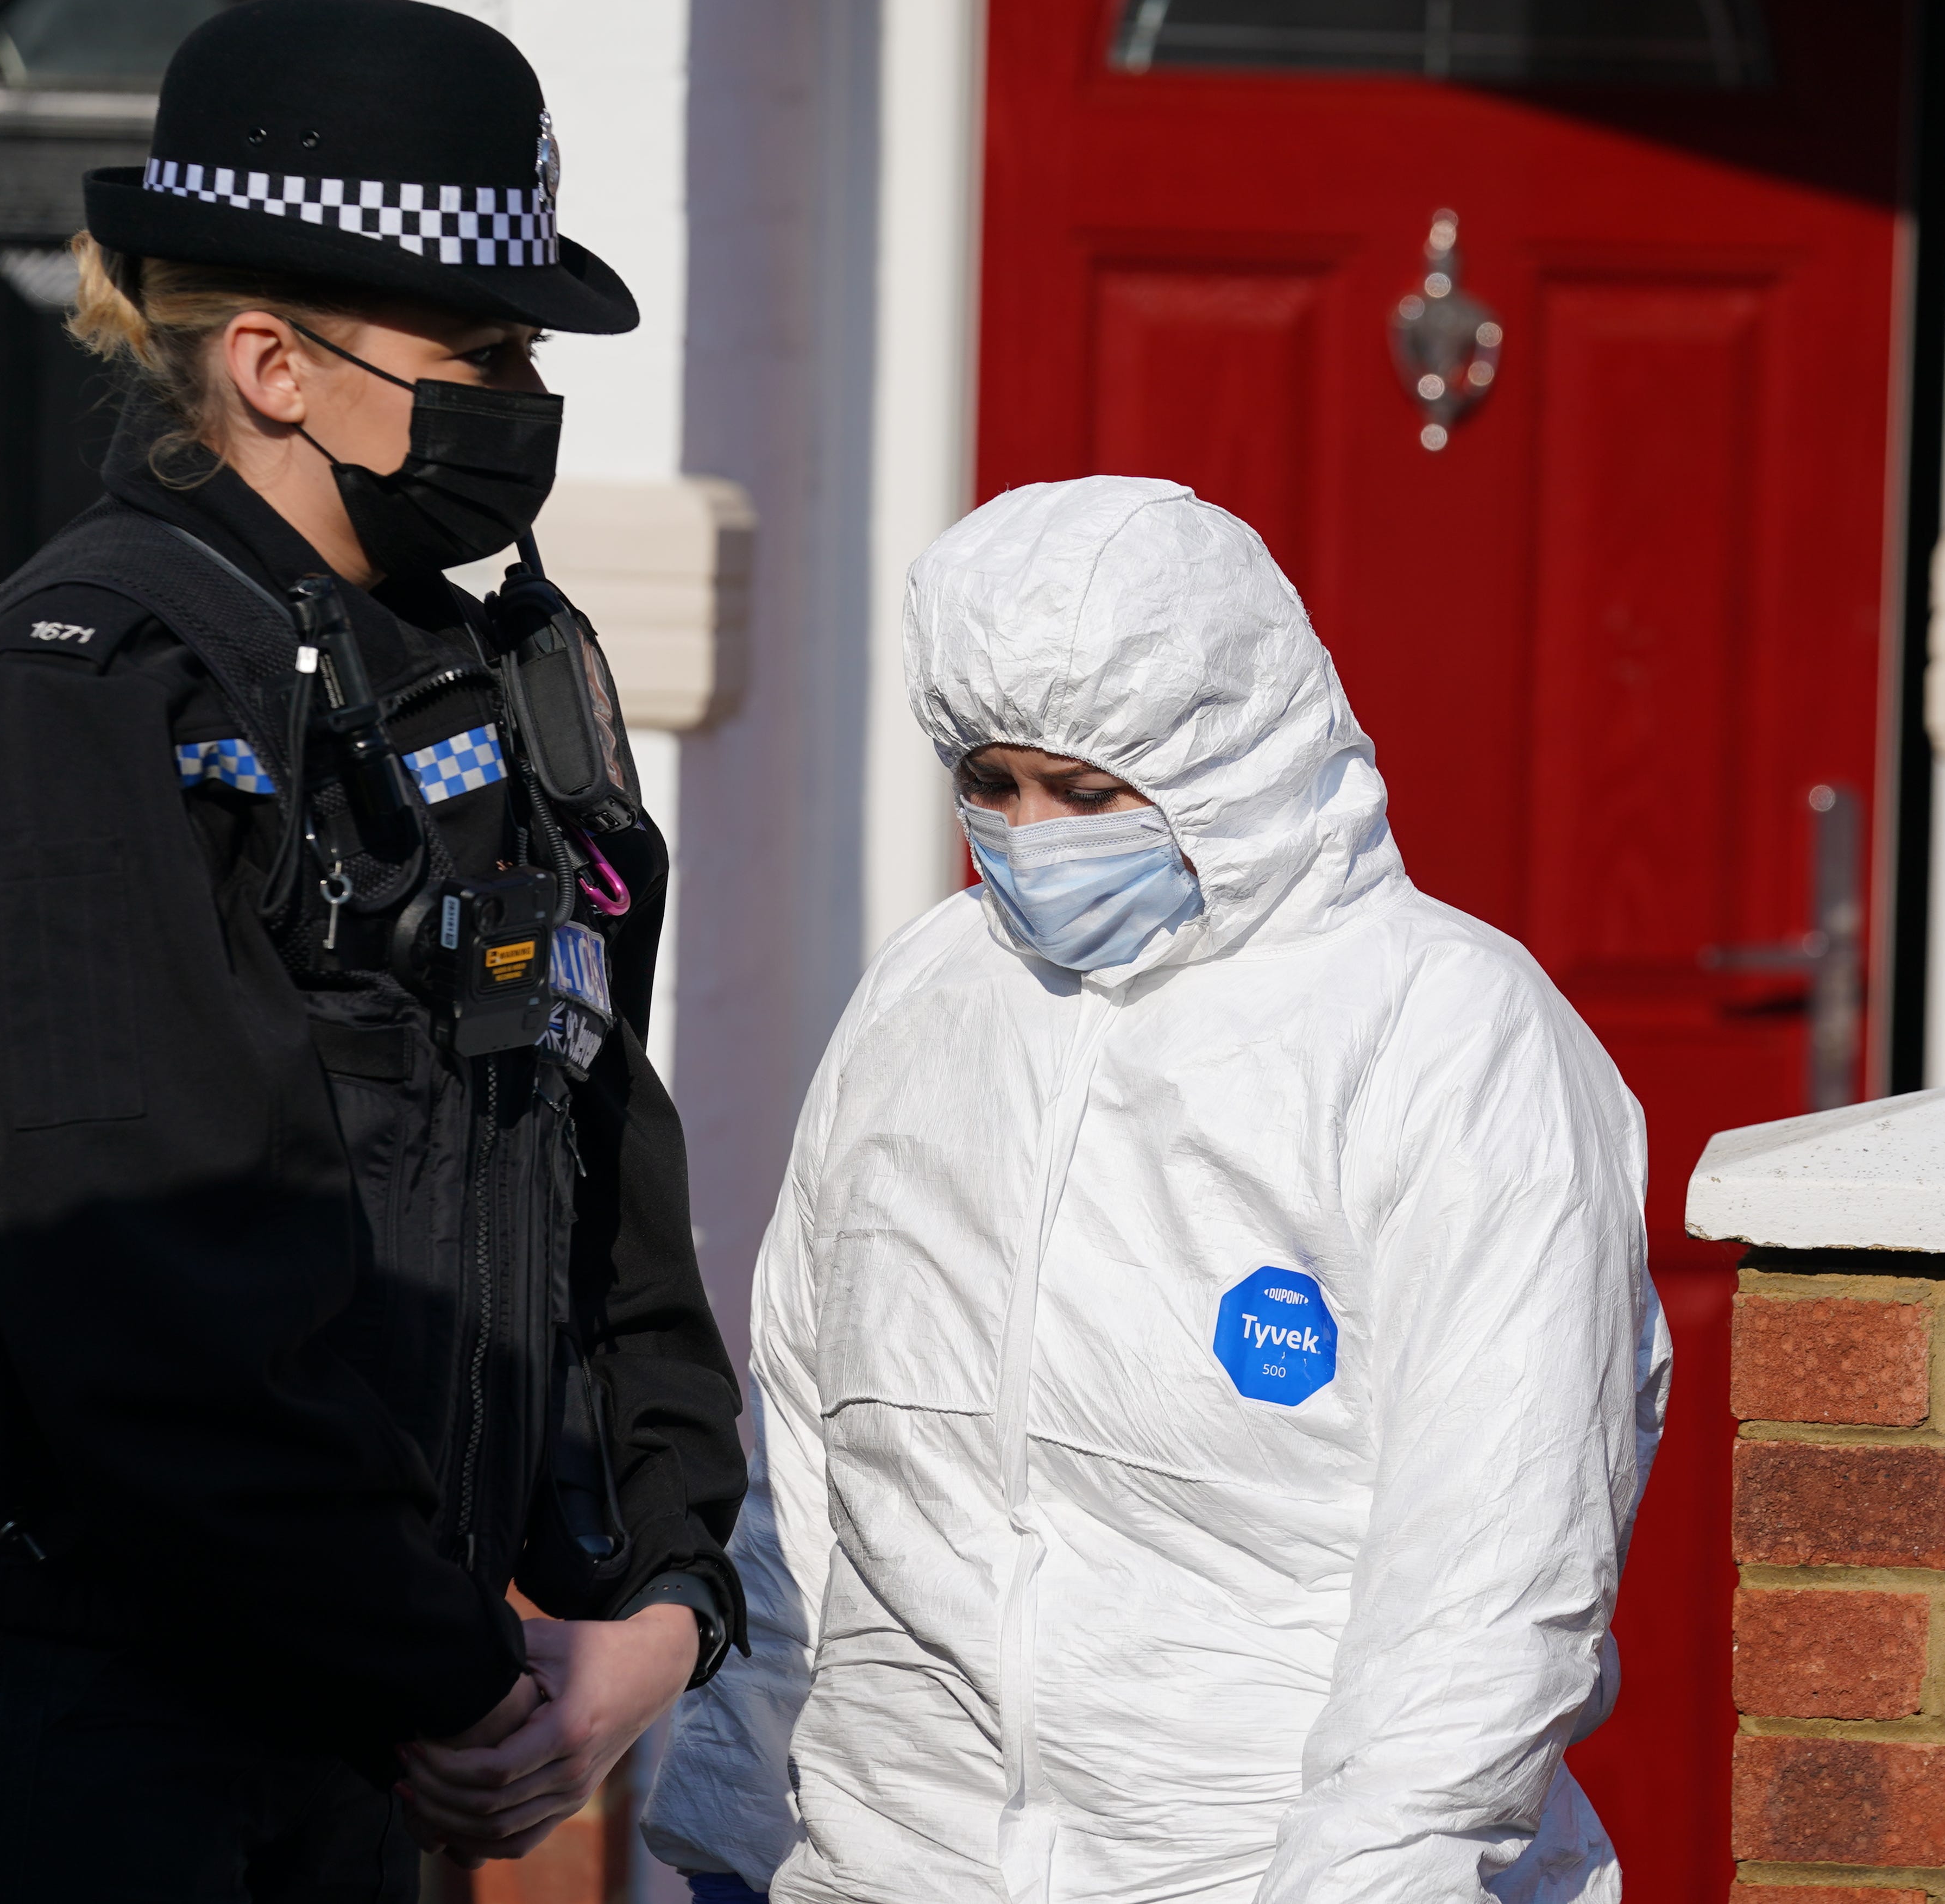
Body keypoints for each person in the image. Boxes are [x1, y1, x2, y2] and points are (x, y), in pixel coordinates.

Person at [0, 0, 745, 1900]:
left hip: (351, 1724)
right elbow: (147, 1278)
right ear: (272, 362)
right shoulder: (77, 696)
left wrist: (662, 1597)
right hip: (78, 1730)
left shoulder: (483, 681)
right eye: (473, 346)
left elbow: (588, 1171)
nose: (519, 396)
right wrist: (452, 1679)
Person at [643, 475, 1671, 1904]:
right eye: (990, 784)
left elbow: (1492, 1577)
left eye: (1089, 791)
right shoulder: (932, 1000)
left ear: (1233, 755)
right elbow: (815, 1467)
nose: (1032, 834)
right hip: (893, 1864)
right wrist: (739, 1830)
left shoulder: (1448, 1038)